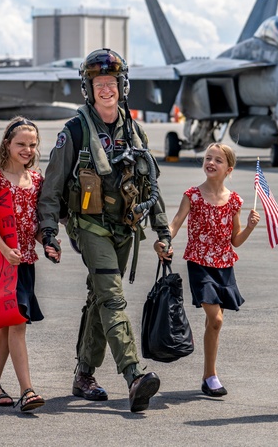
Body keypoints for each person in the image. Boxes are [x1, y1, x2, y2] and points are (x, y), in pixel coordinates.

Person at [37, 48, 171, 413]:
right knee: (112, 296)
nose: (106, 90)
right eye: (99, 84)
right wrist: (48, 232)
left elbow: (149, 183)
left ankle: (83, 375)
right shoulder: (75, 131)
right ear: (89, 88)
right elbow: (52, 186)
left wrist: (163, 230)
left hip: (126, 227)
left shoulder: (134, 130)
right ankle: (133, 375)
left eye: (111, 83)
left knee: (99, 299)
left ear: (122, 86)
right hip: (90, 226)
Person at [160, 143, 259, 397]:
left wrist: (248, 227)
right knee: (215, 319)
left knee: (213, 324)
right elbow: (175, 223)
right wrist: (164, 241)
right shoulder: (192, 195)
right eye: (208, 158)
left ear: (229, 169)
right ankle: (210, 374)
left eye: (218, 160)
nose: (211, 163)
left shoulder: (234, 201)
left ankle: (209, 375)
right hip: (199, 262)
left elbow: (235, 240)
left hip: (224, 265)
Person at [0, 117, 60, 413]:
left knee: (8, 326)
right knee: (17, 324)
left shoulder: (36, 179)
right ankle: (27, 390)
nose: (27, 149)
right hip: (3, 264)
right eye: (21, 144)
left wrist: (47, 243)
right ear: (7, 144)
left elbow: (34, 226)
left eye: (32, 144)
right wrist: (5, 250)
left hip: (26, 262)